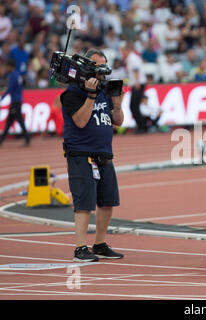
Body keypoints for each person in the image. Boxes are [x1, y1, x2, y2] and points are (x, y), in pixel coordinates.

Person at [60, 49, 124, 262]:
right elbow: (80, 121)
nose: (102, 71)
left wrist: (117, 103)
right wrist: (90, 95)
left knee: (107, 201)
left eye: (104, 65)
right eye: (98, 66)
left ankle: (99, 243)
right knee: (84, 202)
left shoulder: (104, 90)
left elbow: (119, 121)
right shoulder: (71, 93)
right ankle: (80, 248)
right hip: (81, 154)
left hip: (104, 153)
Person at [0, 59, 30, 146]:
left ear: (10, 66)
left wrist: (2, 97)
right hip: (18, 100)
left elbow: (10, 88)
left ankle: (27, 138)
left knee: (18, 121)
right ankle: (1, 140)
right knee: (10, 121)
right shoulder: (18, 74)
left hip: (15, 102)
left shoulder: (13, 75)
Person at [120, 42, 148, 134]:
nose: (122, 53)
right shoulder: (131, 58)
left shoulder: (132, 58)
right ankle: (142, 126)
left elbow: (136, 70)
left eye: (123, 51)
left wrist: (137, 83)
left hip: (137, 84)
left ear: (126, 50)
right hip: (137, 84)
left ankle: (142, 126)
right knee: (135, 106)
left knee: (133, 106)